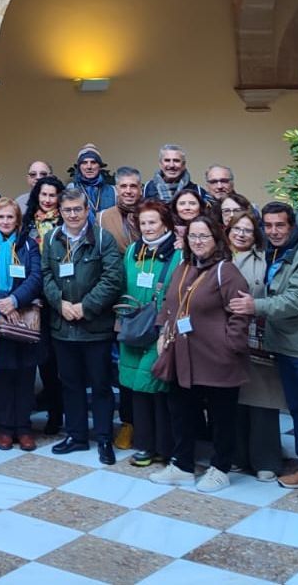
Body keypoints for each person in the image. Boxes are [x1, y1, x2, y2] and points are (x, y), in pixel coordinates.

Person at [228, 202, 298, 501]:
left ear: (292, 225)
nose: (274, 231)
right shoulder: (272, 251)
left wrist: (255, 306)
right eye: (268, 225)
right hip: (284, 346)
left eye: (280, 225)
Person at [148, 216, 251, 493]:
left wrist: (231, 346)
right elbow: (170, 304)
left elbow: (240, 313)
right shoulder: (183, 267)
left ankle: (220, 468)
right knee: (180, 412)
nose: (198, 242)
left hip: (218, 357)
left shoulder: (226, 271)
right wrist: (162, 332)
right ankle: (182, 466)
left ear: (217, 238)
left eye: (204, 236)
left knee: (221, 416)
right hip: (182, 354)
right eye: (193, 236)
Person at [42, 184, 126, 465]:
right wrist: (60, 304)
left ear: (87, 210)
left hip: (95, 328)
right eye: (67, 210)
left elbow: (113, 279)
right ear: (60, 212)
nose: (73, 214)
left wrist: (85, 307)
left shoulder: (104, 239)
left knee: (101, 386)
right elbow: (45, 276)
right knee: (71, 384)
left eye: (78, 209)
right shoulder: (51, 238)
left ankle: (103, 438)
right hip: (62, 327)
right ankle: (76, 436)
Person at [0, 197, 45, 451]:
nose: (5, 221)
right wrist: (1, 302)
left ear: (18, 220)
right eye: (1, 217)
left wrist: (15, 300)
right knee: (1, 378)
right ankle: (4, 428)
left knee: (25, 376)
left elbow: (36, 277)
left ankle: (23, 428)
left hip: (22, 319)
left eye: (10, 217)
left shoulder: (28, 245)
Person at [224, 212, 286, 483]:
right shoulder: (219, 257)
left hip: (256, 336)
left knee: (263, 400)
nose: (240, 234)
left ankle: (266, 459)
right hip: (222, 337)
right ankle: (237, 455)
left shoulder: (265, 259)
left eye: (247, 230)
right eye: (236, 229)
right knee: (233, 400)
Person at [120, 199, 182, 468]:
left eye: (153, 222)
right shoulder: (133, 249)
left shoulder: (178, 253)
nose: (147, 227)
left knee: (157, 387)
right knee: (136, 388)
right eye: (143, 223)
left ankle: (164, 447)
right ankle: (144, 445)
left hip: (160, 331)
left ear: (165, 223)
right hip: (133, 328)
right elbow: (124, 282)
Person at [23, 175, 67, 435]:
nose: (48, 200)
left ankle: (57, 414)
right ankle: (30, 414)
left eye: (53, 195)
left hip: (61, 299)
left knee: (58, 363)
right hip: (34, 300)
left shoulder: (66, 224)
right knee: (38, 359)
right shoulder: (26, 224)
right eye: (44, 195)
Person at [98, 167, 143, 251]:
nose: (128, 191)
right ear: (117, 189)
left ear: (140, 189)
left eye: (133, 186)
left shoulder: (152, 214)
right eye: (123, 186)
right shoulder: (102, 218)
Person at [71, 146, 114, 217]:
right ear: (79, 167)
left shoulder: (112, 191)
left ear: (99, 166)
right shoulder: (71, 189)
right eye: (84, 162)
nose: (89, 167)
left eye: (93, 162)